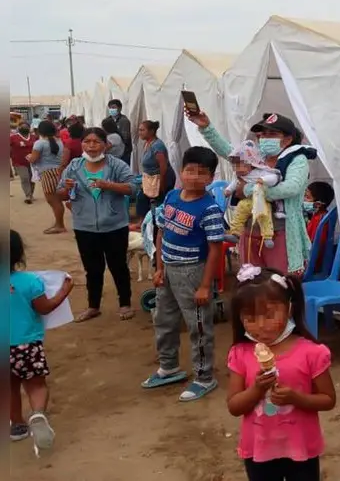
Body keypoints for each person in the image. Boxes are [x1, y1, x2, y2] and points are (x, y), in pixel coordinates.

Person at [226, 266, 336, 481]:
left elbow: (328, 399)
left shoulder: (312, 353)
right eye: (250, 318)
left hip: (301, 449)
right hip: (259, 451)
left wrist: (296, 398)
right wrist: (256, 389)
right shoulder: (240, 354)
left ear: (289, 309)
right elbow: (234, 406)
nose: (260, 325)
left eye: (269, 315)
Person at [186, 110, 316, 274]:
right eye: (263, 134)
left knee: (279, 280)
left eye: (272, 134)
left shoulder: (297, 159)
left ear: (287, 139)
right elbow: (229, 151)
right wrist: (206, 127)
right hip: (250, 231)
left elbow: (291, 187)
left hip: (280, 234)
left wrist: (248, 189)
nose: (265, 138)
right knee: (251, 279)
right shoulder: (257, 154)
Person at [143, 146, 226, 401]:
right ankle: (168, 366)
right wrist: (159, 268)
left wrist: (205, 285)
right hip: (168, 268)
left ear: (211, 178)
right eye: (190, 170)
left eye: (202, 173)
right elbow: (161, 232)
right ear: (181, 171)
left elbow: (215, 249)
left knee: (198, 325)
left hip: (193, 271)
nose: (194, 177)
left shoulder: (209, 209)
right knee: (164, 319)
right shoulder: (171, 197)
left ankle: (204, 377)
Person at [56, 127, 138, 322]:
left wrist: (108, 185)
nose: (91, 146)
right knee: (92, 268)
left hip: (114, 226)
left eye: (96, 142)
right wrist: (66, 189)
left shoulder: (116, 165)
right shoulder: (74, 166)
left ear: (106, 145)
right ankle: (93, 306)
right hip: (84, 227)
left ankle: (125, 303)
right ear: (82, 144)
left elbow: (133, 188)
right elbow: (60, 193)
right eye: (87, 141)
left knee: (118, 266)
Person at [9, 230, 75, 450]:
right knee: (36, 385)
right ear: (19, 254)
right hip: (28, 345)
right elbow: (45, 308)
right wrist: (64, 291)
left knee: (9, 387)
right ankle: (37, 414)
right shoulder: (30, 281)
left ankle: (17, 426)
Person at [224, 140, 284, 248]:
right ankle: (235, 233)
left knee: (264, 215)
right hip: (247, 201)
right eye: (235, 166)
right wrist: (228, 190)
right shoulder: (239, 175)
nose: (236, 169)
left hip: (261, 200)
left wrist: (264, 180)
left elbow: (275, 178)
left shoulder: (261, 172)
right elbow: (234, 183)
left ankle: (267, 236)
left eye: (239, 165)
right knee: (239, 212)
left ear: (251, 164)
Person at [26, 120, 68, 234]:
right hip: (58, 171)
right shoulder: (59, 142)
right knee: (56, 200)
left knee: (53, 201)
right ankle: (58, 223)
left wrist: (29, 157)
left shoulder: (39, 143)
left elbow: (33, 159)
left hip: (47, 173)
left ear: (40, 131)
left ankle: (60, 225)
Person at [136, 120, 176, 223]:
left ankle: (158, 224)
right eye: (139, 130)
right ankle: (143, 222)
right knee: (142, 198)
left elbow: (163, 166)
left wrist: (162, 183)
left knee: (159, 201)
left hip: (161, 177)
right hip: (150, 178)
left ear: (151, 131)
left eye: (142, 130)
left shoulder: (157, 146)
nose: (140, 133)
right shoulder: (147, 143)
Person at [11, 121, 37, 203]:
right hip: (19, 162)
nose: (24, 128)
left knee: (32, 179)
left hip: (33, 162)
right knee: (25, 177)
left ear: (29, 128)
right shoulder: (13, 137)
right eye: (22, 127)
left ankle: (31, 194)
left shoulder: (34, 137)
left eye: (26, 126)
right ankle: (28, 195)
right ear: (19, 128)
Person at [105, 99, 132, 164]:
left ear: (120, 108)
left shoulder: (124, 121)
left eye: (113, 107)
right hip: (111, 152)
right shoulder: (107, 120)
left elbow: (126, 138)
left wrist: (116, 141)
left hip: (124, 152)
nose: (111, 109)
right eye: (110, 108)